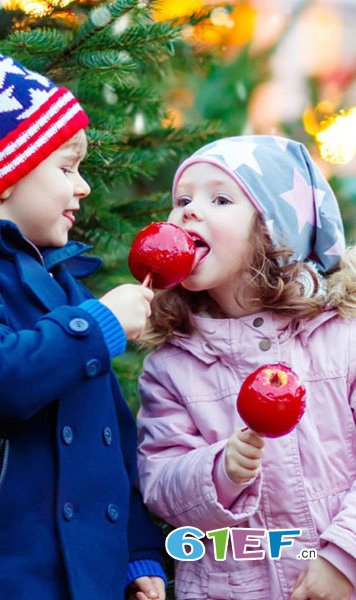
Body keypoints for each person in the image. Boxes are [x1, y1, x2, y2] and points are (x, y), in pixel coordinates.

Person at [0, 9, 167, 600]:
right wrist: (100, 324)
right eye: (67, 168)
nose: (84, 187)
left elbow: (108, 434)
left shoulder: (65, 287)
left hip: (82, 579)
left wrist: (136, 551)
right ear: (0, 177)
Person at [136, 135, 356, 600]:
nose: (189, 211)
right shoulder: (172, 366)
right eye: (182, 199)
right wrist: (221, 471)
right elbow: (161, 486)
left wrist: (343, 558)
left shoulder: (342, 340)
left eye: (219, 198)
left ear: (274, 232)